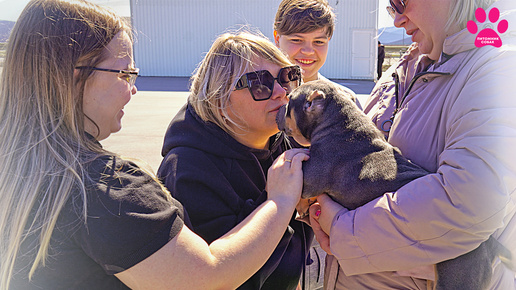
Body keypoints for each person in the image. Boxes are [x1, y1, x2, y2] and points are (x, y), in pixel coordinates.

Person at [0, 1, 309, 289]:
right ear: (71, 76)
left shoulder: (24, 170)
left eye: (288, 76)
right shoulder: (105, 189)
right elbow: (207, 277)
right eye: (123, 73)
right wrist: (280, 202)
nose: (133, 89)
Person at [309, 0, 516, 289]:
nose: (397, 19)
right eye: (391, 6)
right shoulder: (405, 67)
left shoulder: (499, 69)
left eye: (401, 2)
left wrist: (342, 229)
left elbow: (468, 201)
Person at [156, 31, 313, 290]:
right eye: (259, 83)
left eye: (287, 78)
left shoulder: (284, 143)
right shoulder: (187, 170)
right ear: (219, 98)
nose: (280, 92)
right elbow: (224, 279)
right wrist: (277, 203)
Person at [273, 0, 360, 107]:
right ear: (277, 38)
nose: (308, 51)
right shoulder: (261, 97)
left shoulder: (345, 101)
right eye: (296, 40)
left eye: (318, 42)